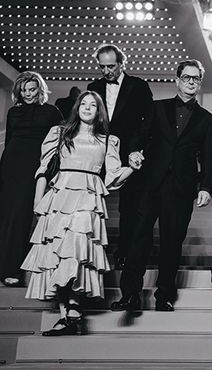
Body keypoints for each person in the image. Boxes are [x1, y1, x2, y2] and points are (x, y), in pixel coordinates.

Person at [20, 91, 141, 335]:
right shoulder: (59, 133)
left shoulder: (108, 140)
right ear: (77, 108)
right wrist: (37, 201)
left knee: (75, 249)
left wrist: (133, 168)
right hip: (59, 197)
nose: (87, 107)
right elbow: (44, 169)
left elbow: (113, 177)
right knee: (58, 254)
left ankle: (72, 310)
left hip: (88, 197)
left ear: (99, 111)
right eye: (83, 103)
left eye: (92, 105)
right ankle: (68, 314)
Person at [111, 60, 212, 312]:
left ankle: (165, 296)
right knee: (138, 238)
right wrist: (133, 151)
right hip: (148, 183)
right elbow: (139, 135)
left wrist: (206, 187)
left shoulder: (207, 119)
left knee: (172, 242)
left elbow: (207, 155)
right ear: (177, 80)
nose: (191, 82)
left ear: (200, 83)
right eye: (187, 77)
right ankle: (130, 295)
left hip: (181, 188)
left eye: (196, 78)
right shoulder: (157, 108)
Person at [88, 43, 153, 269]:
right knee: (91, 202)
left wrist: (137, 149)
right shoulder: (93, 87)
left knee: (129, 206)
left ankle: (124, 252)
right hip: (98, 150)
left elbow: (148, 121)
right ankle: (89, 253)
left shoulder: (139, 86)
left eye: (111, 66)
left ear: (122, 63)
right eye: (102, 67)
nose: (106, 71)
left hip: (129, 153)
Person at [0, 72, 63, 287]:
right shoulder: (13, 112)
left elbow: (60, 142)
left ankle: (15, 269)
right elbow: (9, 141)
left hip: (35, 167)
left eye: (32, 89)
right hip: (11, 166)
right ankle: (7, 268)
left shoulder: (52, 112)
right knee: (9, 217)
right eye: (24, 90)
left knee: (23, 217)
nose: (27, 94)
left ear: (40, 89)